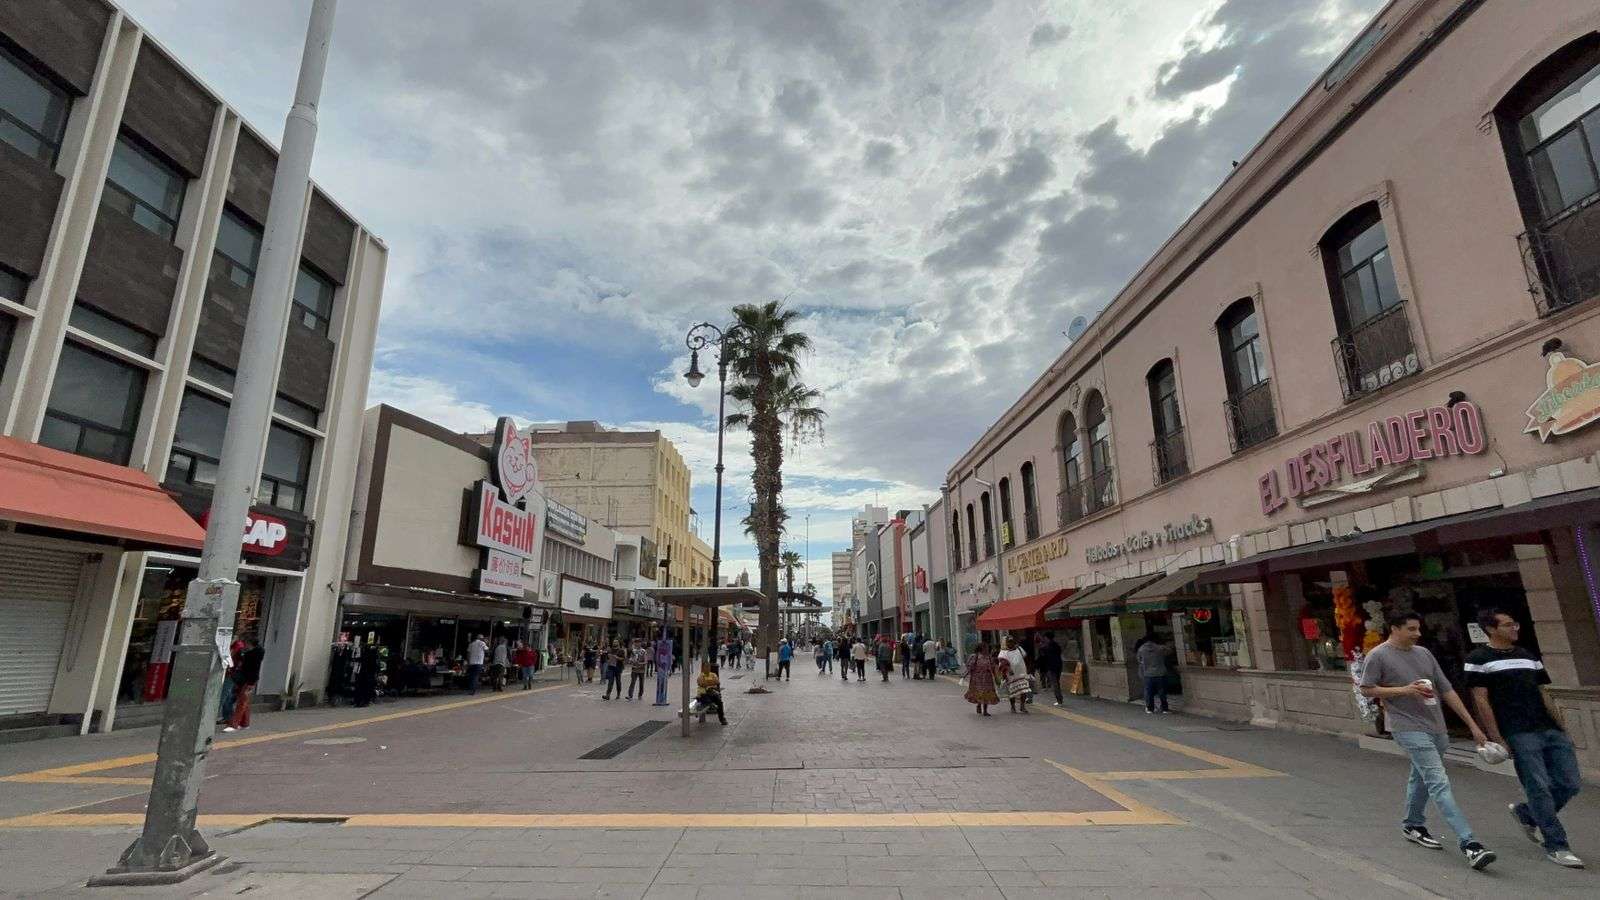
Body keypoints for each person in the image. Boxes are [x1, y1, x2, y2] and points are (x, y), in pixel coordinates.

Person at [1359, 611, 1496, 871]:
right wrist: (1404, 690)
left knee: (1420, 776)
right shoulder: (1378, 655)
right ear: (1394, 628)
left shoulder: (1424, 654)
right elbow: (1366, 688)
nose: (1417, 633)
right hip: (1406, 727)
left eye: (1418, 628)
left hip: (1436, 726)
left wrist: (1472, 725)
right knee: (1438, 781)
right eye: (1411, 629)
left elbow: (1446, 690)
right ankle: (1470, 843)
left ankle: (1413, 824)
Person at [1466, 608, 1584, 868]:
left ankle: (1527, 813)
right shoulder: (1478, 659)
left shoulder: (1527, 655)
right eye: (1508, 625)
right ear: (1491, 629)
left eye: (1515, 623)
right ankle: (1557, 845)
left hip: (1547, 727)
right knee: (1538, 786)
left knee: (1570, 782)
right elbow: (1481, 699)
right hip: (1517, 730)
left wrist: (1560, 725)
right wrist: (1496, 736)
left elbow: (1543, 691)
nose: (1514, 628)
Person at [223, 639, 264, 732]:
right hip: (246, 680)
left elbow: (250, 669)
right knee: (244, 701)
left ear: (250, 644)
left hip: (249, 681)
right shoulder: (253, 654)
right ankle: (245, 723)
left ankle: (234, 725)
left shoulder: (251, 655)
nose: (245, 645)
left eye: (246, 644)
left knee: (242, 702)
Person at [1137, 635, 1171, 714]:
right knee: (1162, 692)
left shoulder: (1141, 649)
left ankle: (1150, 709)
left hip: (1148, 674)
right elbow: (1169, 650)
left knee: (1149, 692)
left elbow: (1139, 660)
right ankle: (1164, 709)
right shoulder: (1159, 648)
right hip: (1160, 673)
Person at [998, 636, 1032, 714]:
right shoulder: (1003, 652)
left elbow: (1026, 658)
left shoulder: (1019, 649)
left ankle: (1022, 706)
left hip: (1022, 673)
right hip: (1011, 675)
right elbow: (1002, 664)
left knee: (1024, 690)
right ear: (1006, 643)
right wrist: (1008, 669)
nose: (1011, 643)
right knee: (1012, 691)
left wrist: (1029, 668)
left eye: (1012, 641)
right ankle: (1013, 707)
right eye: (1009, 642)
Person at [964, 642, 999, 716]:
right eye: (985, 648)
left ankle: (985, 711)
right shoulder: (975, 656)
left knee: (986, 694)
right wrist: (965, 674)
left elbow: (993, 668)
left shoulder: (989, 657)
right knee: (980, 693)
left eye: (987, 648)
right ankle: (979, 705)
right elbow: (970, 666)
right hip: (977, 679)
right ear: (981, 649)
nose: (986, 649)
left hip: (987, 679)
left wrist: (996, 677)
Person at [218, 638, 245, 722]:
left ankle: (217, 715)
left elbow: (231, 658)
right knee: (228, 696)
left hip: (231, 674)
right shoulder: (236, 645)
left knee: (224, 695)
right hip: (230, 673)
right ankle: (228, 716)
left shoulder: (238, 646)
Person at [1036, 633, 1064, 706]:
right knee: (1057, 682)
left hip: (1051, 667)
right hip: (1058, 666)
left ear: (1047, 638)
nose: (1044, 639)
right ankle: (1059, 698)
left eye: (1045, 638)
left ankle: (1059, 700)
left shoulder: (1047, 647)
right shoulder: (1056, 645)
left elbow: (1043, 656)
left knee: (1055, 684)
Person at [653, 634, 673, 706]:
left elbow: (669, 659)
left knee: (663, 683)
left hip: (663, 668)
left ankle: (661, 698)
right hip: (661, 668)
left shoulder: (664, 650)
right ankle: (660, 699)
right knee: (661, 683)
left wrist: (669, 667)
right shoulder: (660, 651)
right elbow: (658, 658)